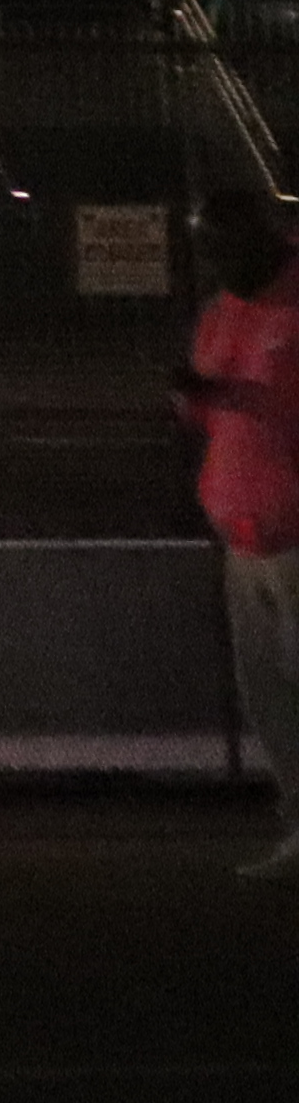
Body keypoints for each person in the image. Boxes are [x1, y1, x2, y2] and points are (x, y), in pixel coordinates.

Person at [174, 184, 299, 879]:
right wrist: (195, 399)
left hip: (295, 528)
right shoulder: (223, 313)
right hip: (244, 531)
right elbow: (213, 412)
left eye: (226, 248)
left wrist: (231, 396)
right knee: (267, 688)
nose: (217, 263)